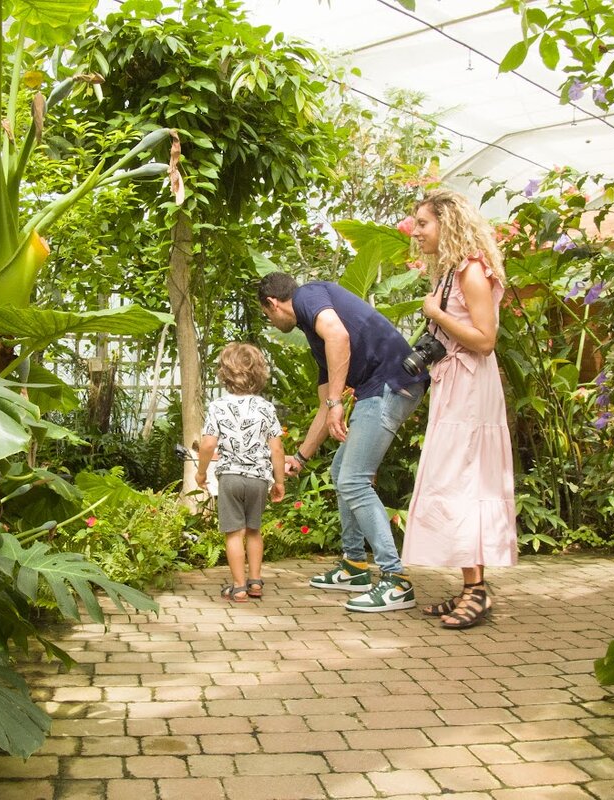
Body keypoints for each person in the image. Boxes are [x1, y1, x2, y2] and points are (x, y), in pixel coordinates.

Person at [258, 272, 428, 612]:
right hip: (379, 389)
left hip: (389, 384)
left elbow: (339, 336)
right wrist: (301, 458)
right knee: (341, 472)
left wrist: (337, 402)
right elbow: (325, 406)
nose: (270, 321)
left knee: (354, 479)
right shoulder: (315, 336)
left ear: (273, 304)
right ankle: (354, 566)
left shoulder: (308, 297)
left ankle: (396, 580)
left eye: (266, 315)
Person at [403, 188, 517, 629]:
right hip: (454, 388)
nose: (416, 232)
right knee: (454, 480)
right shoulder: (451, 271)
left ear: (447, 223)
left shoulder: (472, 271)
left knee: (468, 480)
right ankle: (469, 585)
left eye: (424, 223)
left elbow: (486, 341)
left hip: (472, 392)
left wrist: (436, 312)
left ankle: (478, 591)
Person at [196, 342, 286, 602]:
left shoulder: (218, 407)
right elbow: (277, 449)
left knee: (234, 532)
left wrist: (201, 473)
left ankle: (238, 586)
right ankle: (255, 581)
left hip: (230, 478)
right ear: (259, 373)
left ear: (224, 373)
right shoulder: (267, 408)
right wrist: (278, 481)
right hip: (259, 479)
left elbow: (208, 444)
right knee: (254, 530)